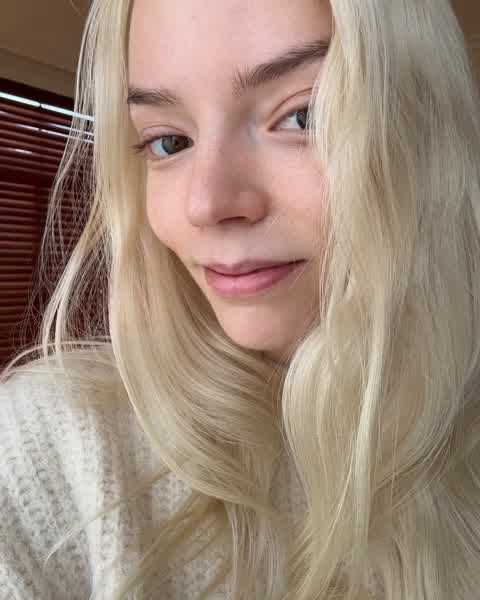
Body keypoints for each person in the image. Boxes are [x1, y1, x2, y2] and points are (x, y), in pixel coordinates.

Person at [1, 0, 480, 598]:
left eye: (304, 116)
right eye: (169, 141)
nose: (207, 204)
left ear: (426, 136)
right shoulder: (54, 443)